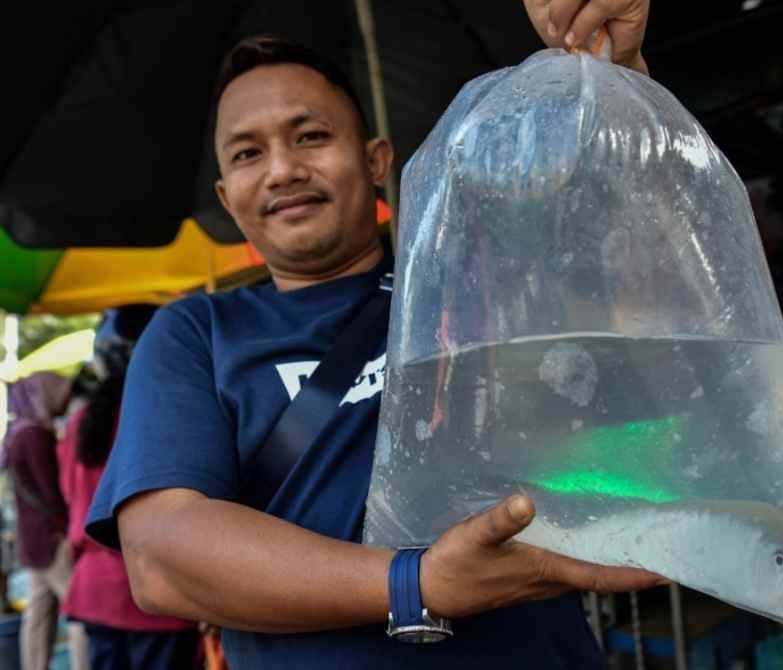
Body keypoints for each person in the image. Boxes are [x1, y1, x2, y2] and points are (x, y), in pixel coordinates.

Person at [86, 2, 661, 668]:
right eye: (248, 153)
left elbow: (614, 236)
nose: (281, 170)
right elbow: (162, 559)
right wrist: (416, 584)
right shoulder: (195, 333)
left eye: (310, 136)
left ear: (377, 159)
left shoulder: (478, 282)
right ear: (227, 191)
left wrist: (614, 72)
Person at [58, 306, 200, 670]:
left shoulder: (78, 421)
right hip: (159, 590)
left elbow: (70, 500)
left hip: (94, 588)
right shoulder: (174, 410)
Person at [3, 372, 88, 670]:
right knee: (80, 612)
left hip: (33, 539)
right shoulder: (35, 436)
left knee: (38, 616)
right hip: (51, 537)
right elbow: (53, 491)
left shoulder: (18, 432)